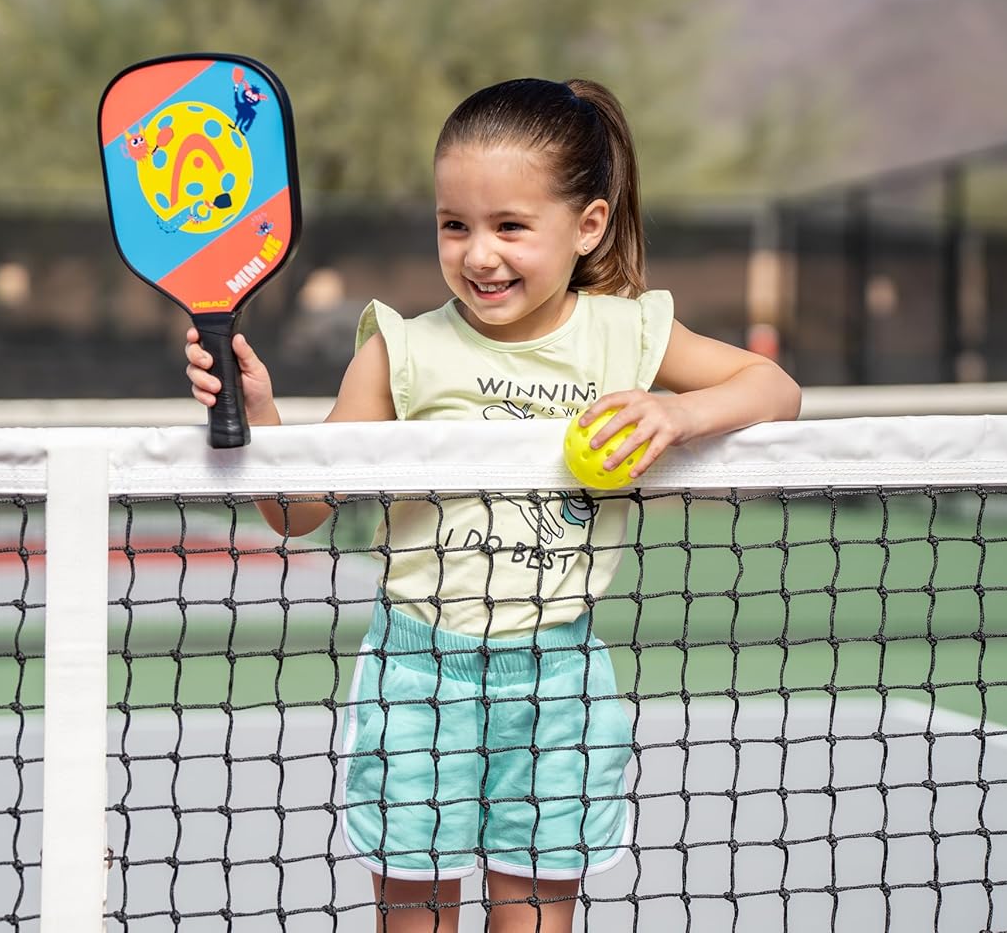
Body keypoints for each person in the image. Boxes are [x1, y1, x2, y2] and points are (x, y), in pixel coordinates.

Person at [186, 77, 801, 932]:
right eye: (455, 225)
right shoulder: (398, 351)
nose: (479, 253)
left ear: (587, 226)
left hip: (558, 677)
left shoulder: (627, 334)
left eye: (511, 226)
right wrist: (262, 417)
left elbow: (774, 387)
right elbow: (301, 513)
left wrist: (680, 410)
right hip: (415, 674)